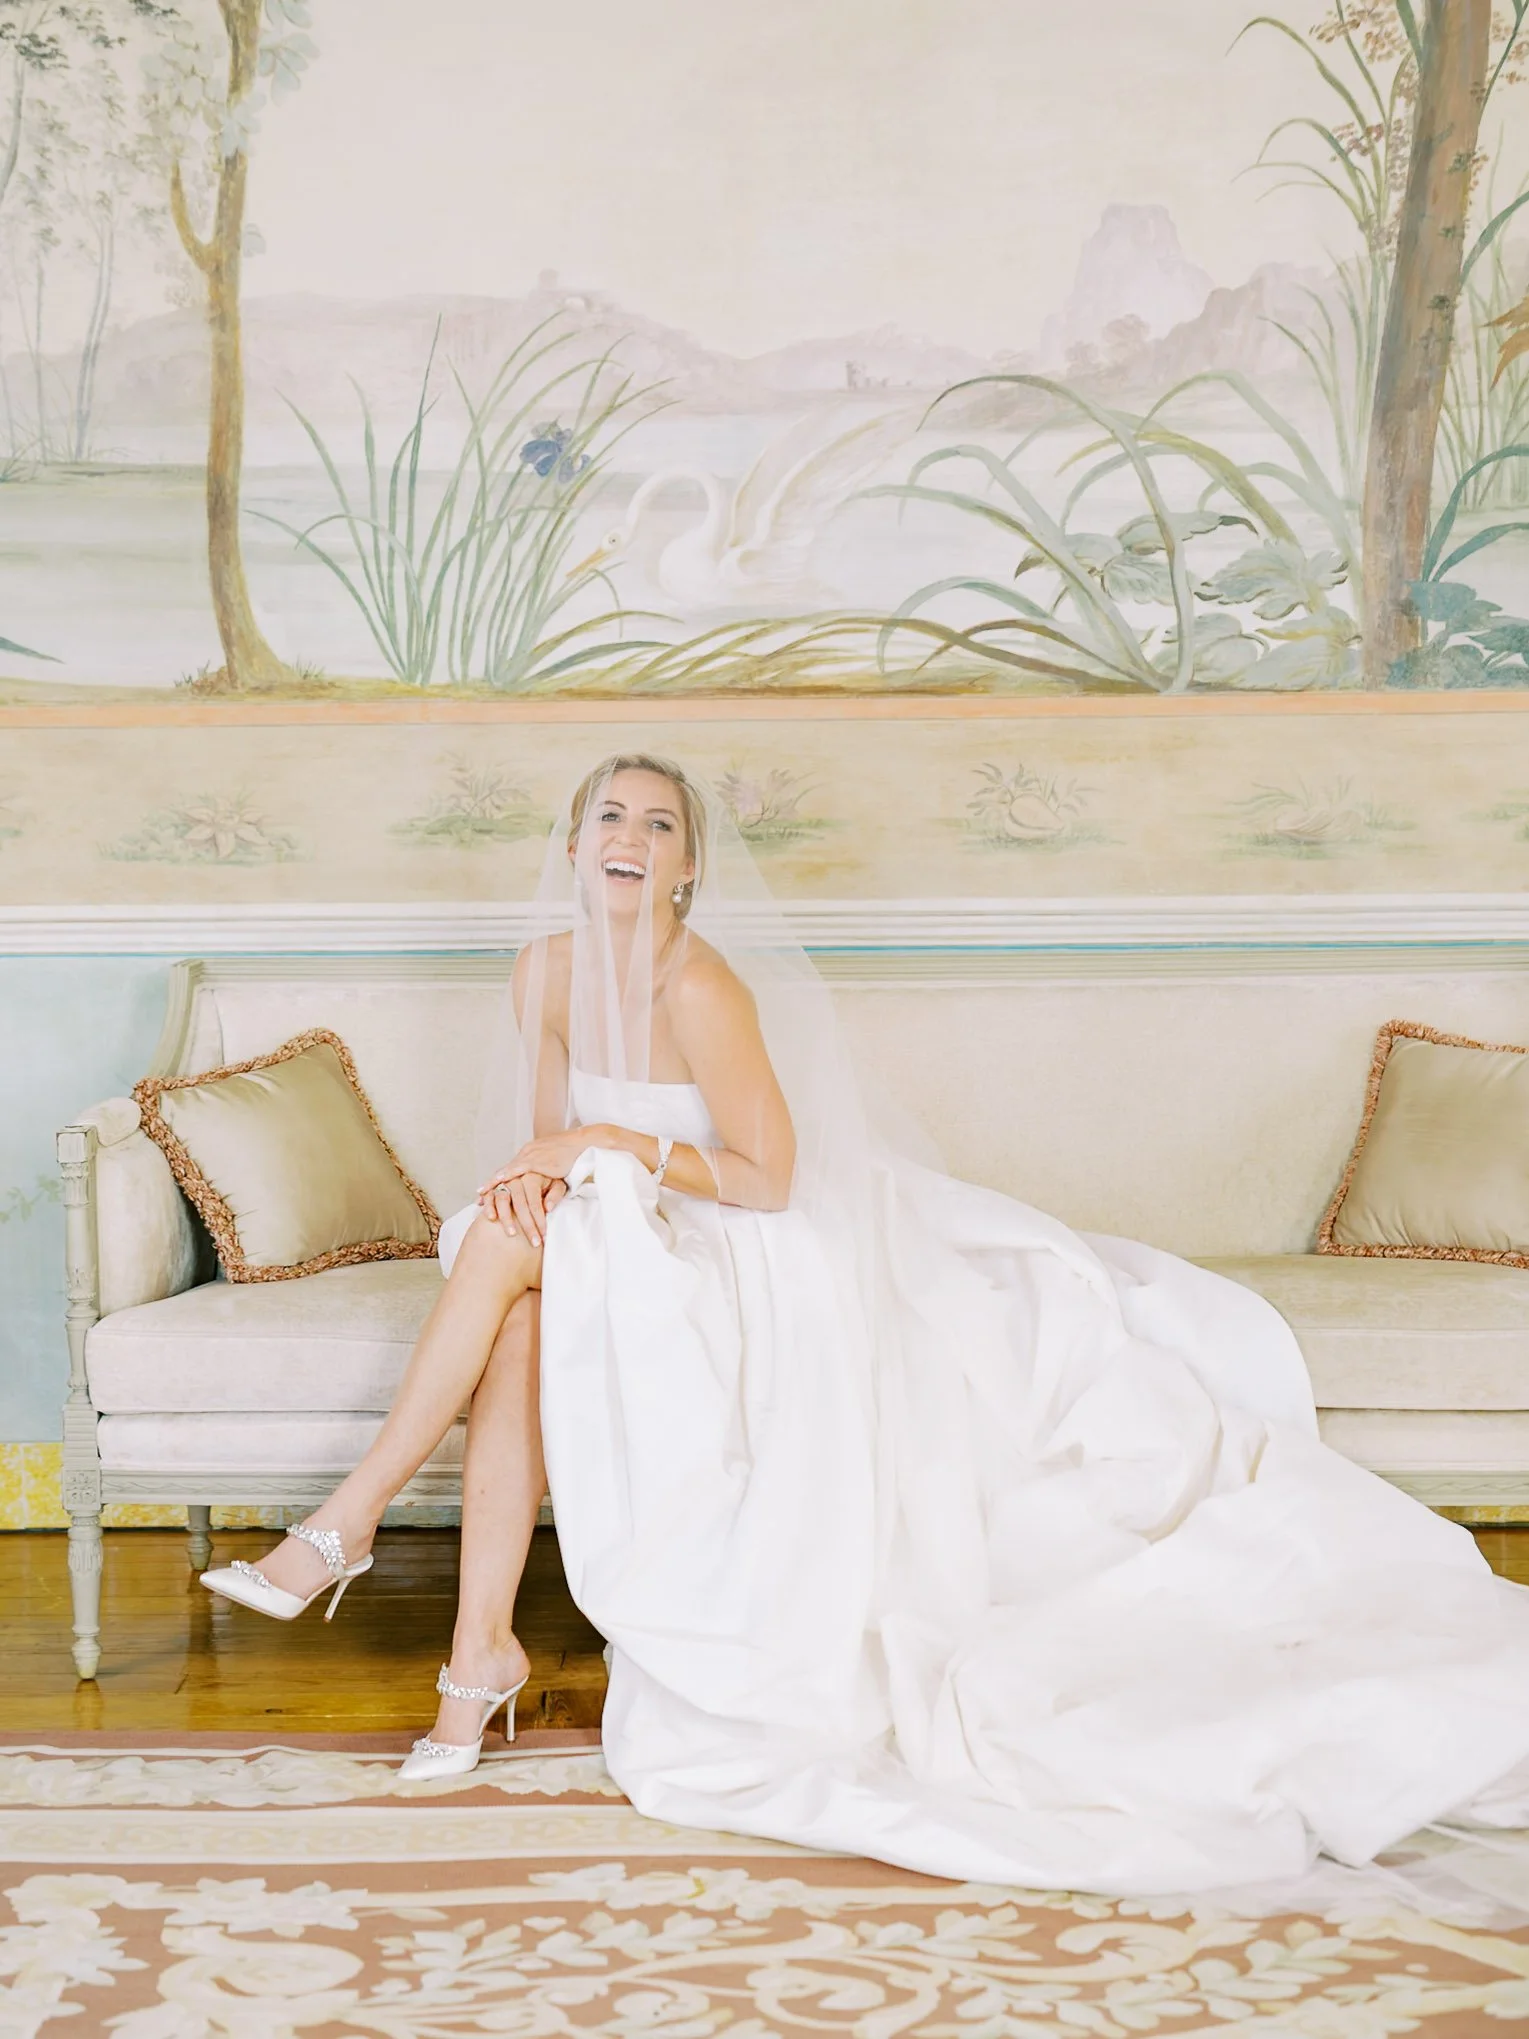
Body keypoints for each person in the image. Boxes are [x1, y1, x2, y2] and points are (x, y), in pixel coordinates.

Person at [203, 752, 1529, 1900]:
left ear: (688, 871)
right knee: (516, 1305)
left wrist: (600, 1146)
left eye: (662, 826)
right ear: (573, 844)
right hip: (620, 1230)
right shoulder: (542, 969)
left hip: (740, 1242)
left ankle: (353, 1527)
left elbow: (770, 1178)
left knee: (507, 1261)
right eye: (612, 816)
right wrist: (563, 1169)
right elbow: (542, 1143)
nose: (632, 840)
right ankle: (469, 1649)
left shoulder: (701, 989)